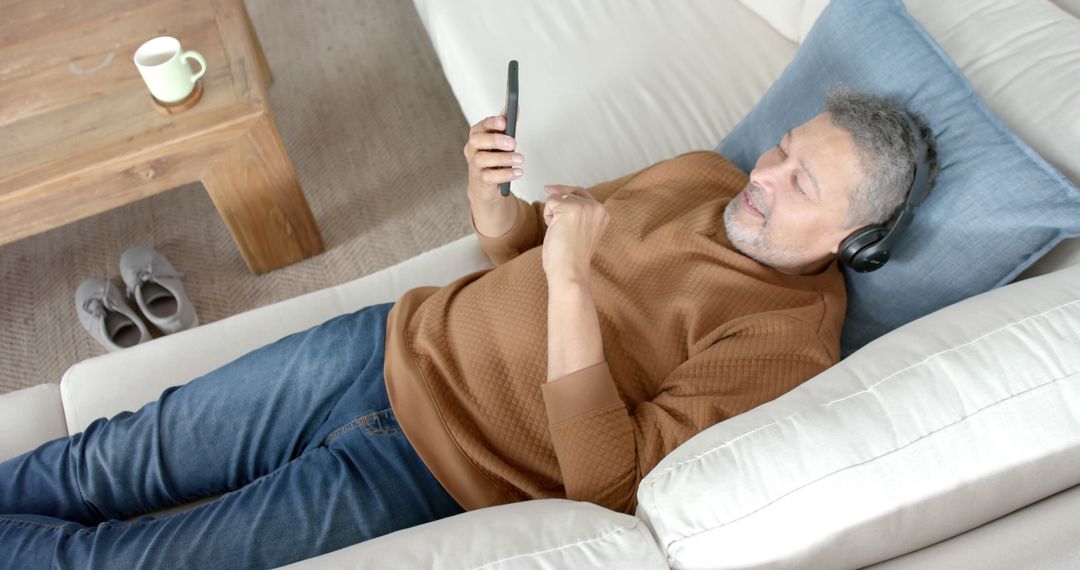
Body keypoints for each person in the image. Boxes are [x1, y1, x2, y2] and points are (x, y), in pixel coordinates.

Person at [0, 87, 938, 568]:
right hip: (380, 345)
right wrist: (489, 195)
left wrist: (570, 285)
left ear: (859, 240)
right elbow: (516, 246)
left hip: (425, 473)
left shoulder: (786, 343)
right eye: (781, 150)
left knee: (116, 562)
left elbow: (608, 483)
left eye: (800, 183)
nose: (762, 176)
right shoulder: (701, 172)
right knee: (104, 461)